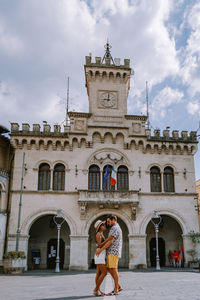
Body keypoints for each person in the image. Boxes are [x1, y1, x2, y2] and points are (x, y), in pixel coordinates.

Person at [96, 215, 122, 296]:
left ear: (114, 220)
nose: (108, 223)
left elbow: (110, 241)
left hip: (113, 251)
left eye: (108, 221)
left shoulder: (115, 228)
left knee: (114, 269)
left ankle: (116, 289)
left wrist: (100, 249)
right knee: (109, 269)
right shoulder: (115, 227)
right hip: (112, 252)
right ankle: (118, 286)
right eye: (107, 222)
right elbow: (109, 239)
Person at [93, 220, 107, 297]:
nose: (104, 226)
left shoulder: (101, 233)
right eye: (103, 225)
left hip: (101, 254)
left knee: (98, 273)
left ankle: (98, 290)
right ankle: (96, 289)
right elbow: (99, 245)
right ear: (100, 227)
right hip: (100, 254)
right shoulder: (98, 234)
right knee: (104, 272)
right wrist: (108, 241)